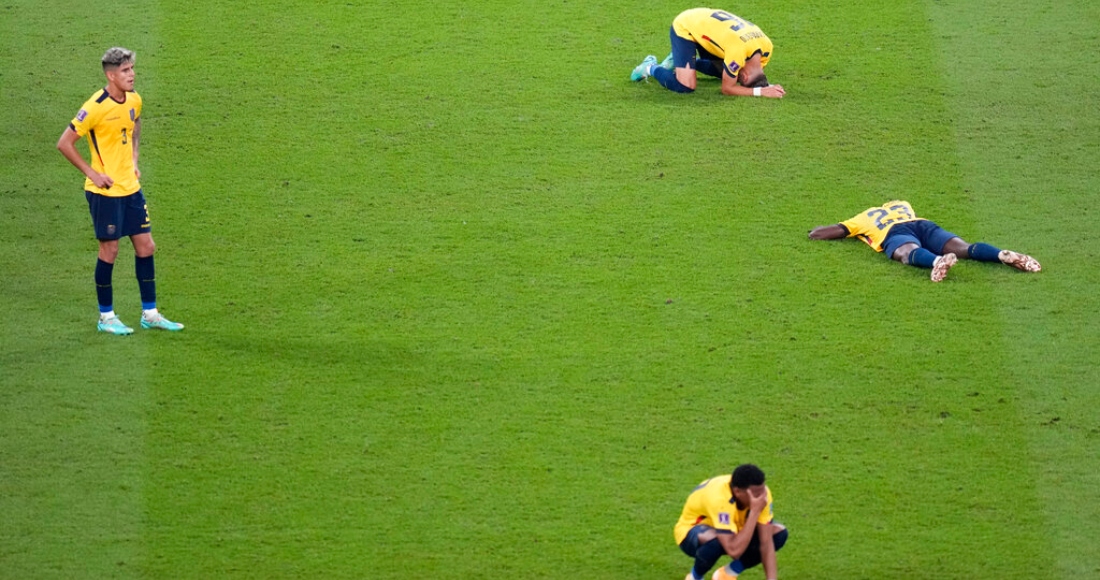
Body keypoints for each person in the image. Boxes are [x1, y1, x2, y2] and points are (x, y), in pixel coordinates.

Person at [57, 47, 184, 334]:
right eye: (125, 71)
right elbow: (64, 143)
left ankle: (150, 314)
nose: (132, 74)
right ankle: (106, 317)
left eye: (132, 69)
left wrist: (134, 159)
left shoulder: (134, 100)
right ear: (110, 75)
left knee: (146, 246)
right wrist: (93, 173)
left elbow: (135, 122)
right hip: (105, 193)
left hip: (131, 188)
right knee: (110, 250)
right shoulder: (95, 107)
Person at [808, 200, 1042, 282]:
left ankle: (936, 262)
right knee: (964, 248)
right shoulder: (903, 205)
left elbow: (826, 232)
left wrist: (816, 231)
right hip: (922, 223)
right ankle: (1000, 254)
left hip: (893, 231)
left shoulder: (864, 217)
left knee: (906, 252)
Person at [630, 8, 785, 98]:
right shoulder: (738, 52)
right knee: (686, 86)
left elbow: (742, 75)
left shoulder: (766, 48)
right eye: (741, 79)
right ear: (744, 76)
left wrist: (767, 86)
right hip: (686, 26)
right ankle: (650, 66)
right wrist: (760, 92)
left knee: (726, 72)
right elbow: (727, 89)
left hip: (708, 28)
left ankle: (684, 62)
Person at [674, 464, 788, 580]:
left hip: (733, 529)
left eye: (763, 491)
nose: (762, 498)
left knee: (778, 534)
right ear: (737, 491)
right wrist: (754, 512)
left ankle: (727, 574)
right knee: (715, 542)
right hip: (692, 533)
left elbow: (766, 542)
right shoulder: (719, 498)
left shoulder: (762, 495)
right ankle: (695, 577)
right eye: (756, 494)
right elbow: (734, 550)